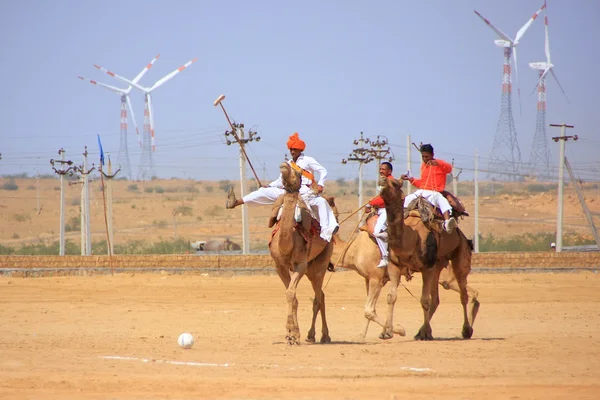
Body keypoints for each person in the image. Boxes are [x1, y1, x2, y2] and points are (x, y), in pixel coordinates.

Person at [226, 132, 339, 242]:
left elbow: (323, 171)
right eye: (291, 149)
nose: (292, 151)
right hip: (288, 191)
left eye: (294, 149)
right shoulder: (288, 164)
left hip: (305, 193)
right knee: (262, 191)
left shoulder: (308, 160)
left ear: (300, 150)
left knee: (321, 202)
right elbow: (280, 181)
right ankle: (236, 202)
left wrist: (321, 184)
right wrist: (269, 186)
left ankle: (327, 230)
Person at [400, 143, 457, 234]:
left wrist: (438, 163)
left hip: (435, 192)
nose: (425, 159)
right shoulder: (423, 166)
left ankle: (447, 223)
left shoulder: (439, 164)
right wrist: (411, 179)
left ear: (432, 155)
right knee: (406, 200)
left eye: (427, 156)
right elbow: (422, 183)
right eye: (423, 157)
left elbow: (449, 169)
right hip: (422, 191)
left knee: (443, 202)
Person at [365, 162, 394, 268]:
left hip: (388, 209)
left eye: (383, 169)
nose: (381, 171)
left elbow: (384, 198)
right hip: (380, 210)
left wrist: (370, 203)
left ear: (389, 171)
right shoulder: (383, 181)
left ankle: (385, 257)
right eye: (380, 169)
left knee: (377, 231)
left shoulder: (391, 182)